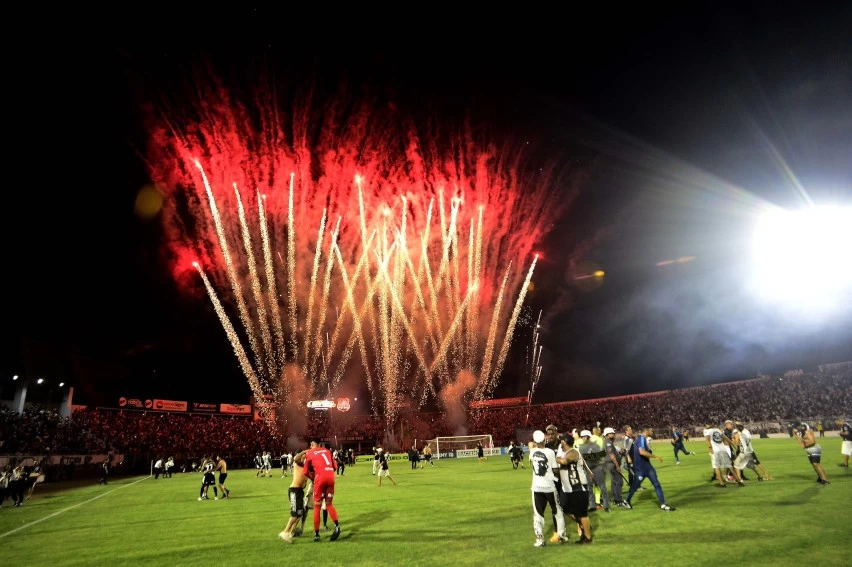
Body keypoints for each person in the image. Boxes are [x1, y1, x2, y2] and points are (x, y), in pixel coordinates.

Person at [623, 426, 675, 511]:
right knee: (635, 485)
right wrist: (655, 456)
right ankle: (627, 500)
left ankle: (663, 505)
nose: (652, 431)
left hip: (647, 467)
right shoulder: (642, 439)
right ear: (646, 431)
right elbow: (641, 452)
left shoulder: (640, 439)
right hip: (640, 468)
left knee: (656, 484)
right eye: (651, 430)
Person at [529, 430, 566, 547]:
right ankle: (561, 535)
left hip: (536, 487)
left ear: (535, 441)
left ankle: (540, 540)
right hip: (549, 487)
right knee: (557, 511)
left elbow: (532, 462)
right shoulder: (550, 452)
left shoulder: (532, 452)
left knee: (538, 514)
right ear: (544, 439)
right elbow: (555, 469)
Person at [555, 433, 593, 544]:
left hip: (578, 487)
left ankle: (587, 537)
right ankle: (584, 525)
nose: (560, 443)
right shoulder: (567, 453)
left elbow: (564, 461)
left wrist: (553, 457)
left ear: (564, 442)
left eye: (561, 441)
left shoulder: (573, 452)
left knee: (582, 513)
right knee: (565, 508)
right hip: (569, 489)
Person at [302, 439, 342, 541]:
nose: (310, 446)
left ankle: (316, 534)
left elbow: (305, 471)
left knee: (317, 506)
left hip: (320, 478)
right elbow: (335, 467)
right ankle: (337, 526)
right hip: (330, 477)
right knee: (329, 504)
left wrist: (313, 478)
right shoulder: (327, 451)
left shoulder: (310, 453)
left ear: (314, 444)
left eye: (311, 444)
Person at [279, 450, 309, 542]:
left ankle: (291, 532)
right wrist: (305, 451)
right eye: (305, 455)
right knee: (295, 514)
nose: (306, 456)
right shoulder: (298, 463)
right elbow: (295, 458)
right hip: (294, 491)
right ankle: (285, 532)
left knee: (300, 513)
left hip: (299, 491)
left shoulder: (305, 466)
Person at [603, 428, 626, 508]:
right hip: (612, 464)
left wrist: (619, 453)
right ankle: (619, 500)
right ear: (607, 435)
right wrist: (617, 466)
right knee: (619, 482)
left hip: (610, 464)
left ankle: (616, 499)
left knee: (614, 482)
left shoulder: (608, 442)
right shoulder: (608, 443)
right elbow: (611, 455)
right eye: (612, 433)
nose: (614, 435)